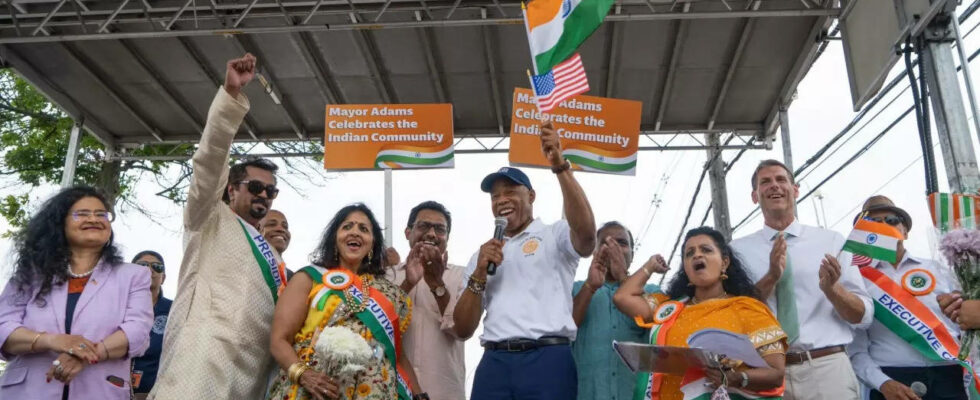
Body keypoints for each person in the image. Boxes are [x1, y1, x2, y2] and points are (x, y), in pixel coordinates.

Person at [150, 54, 289, 400]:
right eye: (255, 187)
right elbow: (210, 158)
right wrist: (230, 96)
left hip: (253, 370)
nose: (264, 195)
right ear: (231, 188)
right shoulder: (208, 217)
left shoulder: (271, 252)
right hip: (201, 358)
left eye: (271, 191)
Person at [453, 121, 597, 399]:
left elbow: (588, 237)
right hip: (494, 363)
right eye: (495, 196)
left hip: (547, 359)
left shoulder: (554, 234)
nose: (501, 200)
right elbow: (462, 329)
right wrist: (480, 274)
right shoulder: (482, 255)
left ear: (531, 196)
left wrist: (559, 165)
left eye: (510, 192)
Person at [730, 159, 872, 400]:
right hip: (763, 372)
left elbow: (863, 316)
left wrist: (832, 290)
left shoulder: (832, 241)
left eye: (781, 180)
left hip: (826, 368)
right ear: (755, 196)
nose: (774, 186)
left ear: (795, 191)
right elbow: (734, 314)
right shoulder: (736, 251)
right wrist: (772, 277)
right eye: (765, 182)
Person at [0, 186, 153, 399]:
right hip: (26, 391)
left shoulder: (134, 276)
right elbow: (4, 329)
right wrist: (54, 341)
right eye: (82, 214)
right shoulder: (30, 274)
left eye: (101, 214)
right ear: (59, 223)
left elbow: (137, 332)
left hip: (100, 392)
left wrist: (86, 355)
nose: (94, 219)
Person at [267, 203, 426, 400]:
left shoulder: (388, 292)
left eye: (364, 229)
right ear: (335, 238)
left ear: (373, 243)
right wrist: (305, 375)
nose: (356, 233)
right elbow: (279, 340)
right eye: (347, 226)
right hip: (313, 391)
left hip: (372, 392)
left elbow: (394, 353)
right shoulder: (309, 278)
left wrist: (419, 395)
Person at [613, 227, 787, 400]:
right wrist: (650, 266)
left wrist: (734, 378)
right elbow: (622, 297)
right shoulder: (669, 307)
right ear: (686, 270)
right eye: (689, 253)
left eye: (706, 250)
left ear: (724, 263)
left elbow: (776, 374)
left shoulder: (747, 308)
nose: (697, 255)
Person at [848, 196, 968, 400]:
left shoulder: (939, 269)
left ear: (906, 231)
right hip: (892, 380)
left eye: (892, 220)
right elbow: (855, 349)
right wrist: (883, 383)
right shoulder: (855, 279)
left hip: (950, 375)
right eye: (874, 223)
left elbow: (965, 327)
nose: (884, 226)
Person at [571, 221, 668, 400]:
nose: (614, 248)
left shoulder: (653, 292)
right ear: (595, 252)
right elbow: (566, 327)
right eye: (606, 243)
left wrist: (624, 277)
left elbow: (658, 329)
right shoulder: (577, 289)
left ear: (632, 252)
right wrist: (590, 287)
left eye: (622, 243)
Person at [386, 201, 467, 400]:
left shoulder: (462, 276)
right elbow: (377, 327)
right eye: (423, 226)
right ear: (408, 232)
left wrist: (437, 283)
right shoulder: (386, 276)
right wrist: (407, 283)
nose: (431, 234)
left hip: (444, 392)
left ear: (447, 238)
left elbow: (461, 330)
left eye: (440, 229)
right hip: (390, 390)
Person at [130, 250, 172, 400]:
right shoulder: (116, 307)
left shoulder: (174, 310)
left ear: (163, 278)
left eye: (157, 267)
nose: (150, 270)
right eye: (142, 265)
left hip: (160, 394)